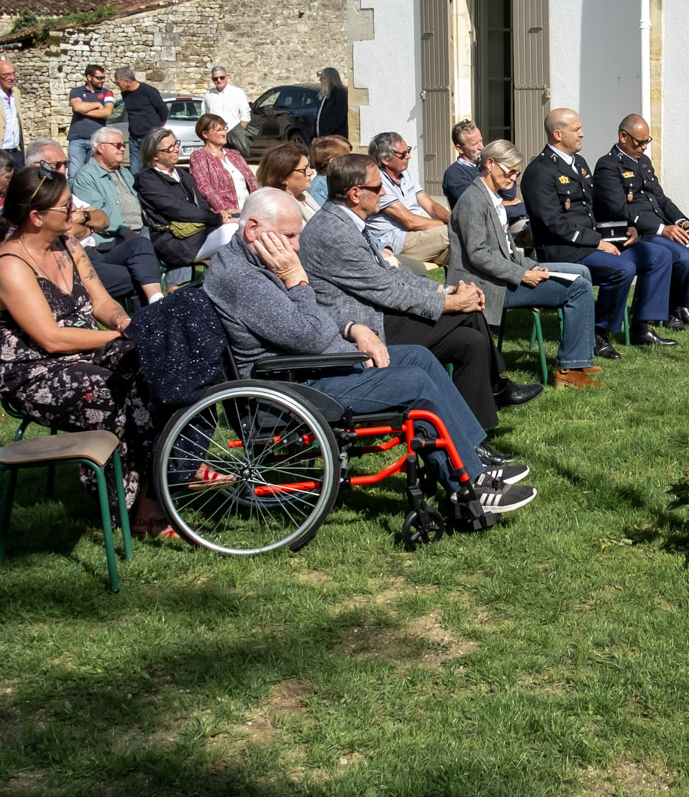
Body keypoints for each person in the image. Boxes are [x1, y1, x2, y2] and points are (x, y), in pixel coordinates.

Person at [202, 188, 535, 513]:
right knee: (414, 384)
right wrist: (297, 280)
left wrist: (352, 328)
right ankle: (467, 485)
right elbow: (312, 337)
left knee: (420, 357)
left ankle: (472, 457)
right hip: (290, 387)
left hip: (308, 368)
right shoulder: (244, 280)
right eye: (289, 236)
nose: (296, 246)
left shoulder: (255, 262)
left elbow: (311, 319)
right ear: (253, 229)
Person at [0, 167, 169, 535]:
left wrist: (127, 325)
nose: (76, 214)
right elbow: (51, 339)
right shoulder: (12, 265)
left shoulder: (68, 244)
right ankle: (132, 505)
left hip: (79, 357)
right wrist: (118, 340)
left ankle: (165, 478)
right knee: (119, 391)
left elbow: (102, 303)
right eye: (66, 209)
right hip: (35, 374)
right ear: (36, 217)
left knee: (156, 368)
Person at [305, 151, 539, 434]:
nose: (384, 193)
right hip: (362, 331)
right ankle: (495, 388)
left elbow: (387, 275)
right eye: (378, 187)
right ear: (355, 193)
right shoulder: (335, 231)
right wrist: (450, 302)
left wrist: (445, 288)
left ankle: (473, 434)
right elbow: (385, 289)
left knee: (470, 342)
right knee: (467, 313)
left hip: (377, 313)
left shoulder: (345, 221)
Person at [523, 107, 675, 355]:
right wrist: (596, 242)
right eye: (576, 130)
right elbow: (553, 223)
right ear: (558, 134)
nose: (582, 134)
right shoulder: (539, 171)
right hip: (563, 251)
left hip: (590, 243)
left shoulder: (579, 163)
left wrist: (624, 229)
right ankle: (597, 332)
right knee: (622, 269)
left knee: (658, 255)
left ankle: (641, 326)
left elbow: (594, 210)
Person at [452, 139, 600, 388]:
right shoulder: (473, 200)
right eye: (510, 171)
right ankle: (570, 370)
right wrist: (521, 275)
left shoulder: (492, 198)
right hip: (486, 285)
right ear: (490, 164)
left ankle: (580, 357)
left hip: (502, 274)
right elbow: (478, 254)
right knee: (578, 287)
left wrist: (530, 265)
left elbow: (508, 250)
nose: (513, 179)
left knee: (582, 272)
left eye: (517, 173)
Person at [595, 114, 689, 331]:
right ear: (623, 136)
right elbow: (619, 208)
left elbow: (660, 199)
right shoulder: (608, 165)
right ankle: (671, 310)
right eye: (639, 142)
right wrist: (662, 229)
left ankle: (679, 300)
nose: (644, 147)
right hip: (642, 233)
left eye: (647, 141)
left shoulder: (643, 162)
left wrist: (682, 221)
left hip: (667, 227)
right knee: (683, 255)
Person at [69, 126, 164, 303]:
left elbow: (140, 202)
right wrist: (126, 232)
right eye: (117, 145)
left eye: (123, 145)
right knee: (144, 248)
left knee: (175, 240)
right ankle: (158, 303)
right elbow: (102, 218)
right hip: (112, 239)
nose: (122, 148)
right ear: (100, 147)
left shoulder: (124, 172)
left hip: (142, 229)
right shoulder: (86, 177)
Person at [135, 128, 224, 269]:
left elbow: (202, 204)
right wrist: (217, 219)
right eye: (169, 148)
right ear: (155, 155)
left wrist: (219, 217)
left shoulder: (183, 174)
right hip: (173, 240)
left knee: (241, 227)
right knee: (233, 232)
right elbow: (177, 210)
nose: (176, 149)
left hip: (199, 231)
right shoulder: (148, 180)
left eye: (176, 144)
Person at [367, 130, 451, 269]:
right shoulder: (378, 181)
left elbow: (430, 205)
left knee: (460, 251)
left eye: (408, 150)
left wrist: (452, 219)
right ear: (385, 159)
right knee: (451, 233)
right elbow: (409, 221)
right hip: (396, 242)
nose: (409, 156)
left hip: (418, 236)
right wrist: (450, 226)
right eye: (403, 154)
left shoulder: (405, 174)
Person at [190, 113, 256, 219]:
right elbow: (204, 186)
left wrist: (260, 204)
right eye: (219, 130)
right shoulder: (199, 157)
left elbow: (252, 181)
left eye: (224, 129)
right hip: (226, 215)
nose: (224, 133)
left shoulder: (234, 154)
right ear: (205, 134)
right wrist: (225, 209)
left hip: (250, 210)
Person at [66, 63, 116, 175]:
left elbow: (107, 112)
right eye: (99, 78)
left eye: (103, 78)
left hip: (97, 140)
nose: (102, 80)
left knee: (95, 173)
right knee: (74, 173)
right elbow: (76, 107)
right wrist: (98, 104)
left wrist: (84, 109)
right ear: (89, 77)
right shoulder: (76, 91)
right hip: (77, 139)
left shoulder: (107, 93)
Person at [115, 67, 166, 173]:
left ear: (127, 81)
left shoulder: (148, 91)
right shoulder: (125, 93)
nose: (117, 85)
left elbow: (163, 110)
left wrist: (158, 128)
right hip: (134, 137)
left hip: (149, 136)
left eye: (118, 83)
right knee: (134, 171)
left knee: (150, 169)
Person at [257, 142, 320, 221]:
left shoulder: (303, 195)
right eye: (304, 169)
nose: (311, 172)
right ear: (282, 178)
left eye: (309, 166)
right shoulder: (281, 209)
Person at [442, 120, 484, 204]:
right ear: (460, 148)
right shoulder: (454, 175)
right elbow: (478, 202)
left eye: (481, 141)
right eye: (475, 144)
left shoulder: (485, 165)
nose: (481, 147)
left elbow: (508, 196)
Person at [203, 66, 250, 139]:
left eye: (222, 77)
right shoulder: (208, 95)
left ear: (227, 77)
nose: (219, 80)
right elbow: (204, 117)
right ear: (212, 79)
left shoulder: (238, 93)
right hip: (214, 138)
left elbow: (245, 117)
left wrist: (237, 134)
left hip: (234, 137)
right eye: (215, 78)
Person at [309, 135, 352, 208]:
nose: (352, 161)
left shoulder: (341, 180)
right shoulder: (318, 190)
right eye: (348, 158)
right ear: (333, 162)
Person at [315, 66, 349, 140]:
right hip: (325, 138)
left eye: (322, 78)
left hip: (334, 139)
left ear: (329, 79)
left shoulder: (340, 94)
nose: (320, 80)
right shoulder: (327, 95)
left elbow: (336, 119)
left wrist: (325, 136)